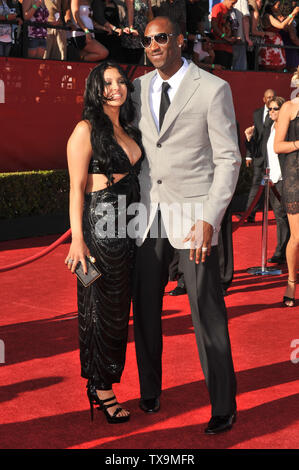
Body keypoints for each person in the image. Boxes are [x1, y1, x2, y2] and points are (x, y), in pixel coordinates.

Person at [132, 16, 241, 435]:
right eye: (147, 40)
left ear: (180, 40)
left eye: (162, 38)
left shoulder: (213, 88)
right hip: (146, 216)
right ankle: (150, 390)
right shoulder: (138, 88)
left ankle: (223, 405)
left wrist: (209, 219)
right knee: (144, 310)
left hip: (193, 218)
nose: (154, 45)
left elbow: (228, 159)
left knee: (206, 311)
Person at [65, 61, 143, 422]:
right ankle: (100, 387)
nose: (116, 87)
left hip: (129, 229)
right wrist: (77, 241)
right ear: (94, 89)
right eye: (106, 82)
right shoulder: (85, 130)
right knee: (96, 309)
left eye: (120, 81)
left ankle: (105, 380)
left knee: (118, 312)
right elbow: (76, 190)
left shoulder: (127, 127)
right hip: (98, 231)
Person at [274, 68, 299, 307]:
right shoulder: (289, 108)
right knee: (298, 237)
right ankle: (291, 282)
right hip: (295, 177)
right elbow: (277, 146)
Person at [245, 88, 275, 224]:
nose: (270, 99)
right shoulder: (257, 113)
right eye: (268, 97)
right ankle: (249, 215)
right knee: (256, 186)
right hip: (259, 157)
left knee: (275, 187)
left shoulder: (278, 114)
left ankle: (282, 214)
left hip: (273, 158)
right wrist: (248, 155)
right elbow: (254, 136)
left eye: (272, 97)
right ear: (264, 99)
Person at [266, 96, 290, 265]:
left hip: (284, 178)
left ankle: (281, 252)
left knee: (284, 217)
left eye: (275, 108)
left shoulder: (287, 128)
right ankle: (283, 250)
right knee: (279, 217)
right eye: (270, 109)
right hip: (271, 179)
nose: (272, 112)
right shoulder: (270, 127)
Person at [259, 0, 299, 71]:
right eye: (277, 6)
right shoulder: (268, 16)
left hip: (276, 47)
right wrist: (292, 14)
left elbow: (286, 24)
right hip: (270, 46)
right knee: (270, 69)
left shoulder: (273, 16)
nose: (279, 7)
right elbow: (281, 25)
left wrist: (292, 15)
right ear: (271, 6)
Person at [211, 0, 239, 70]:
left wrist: (234, 38)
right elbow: (214, 26)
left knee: (228, 73)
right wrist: (225, 37)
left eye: (235, 3)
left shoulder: (231, 11)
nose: (233, 6)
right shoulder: (218, 7)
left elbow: (234, 27)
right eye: (233, 3)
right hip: (219, 47)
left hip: (229, 48)